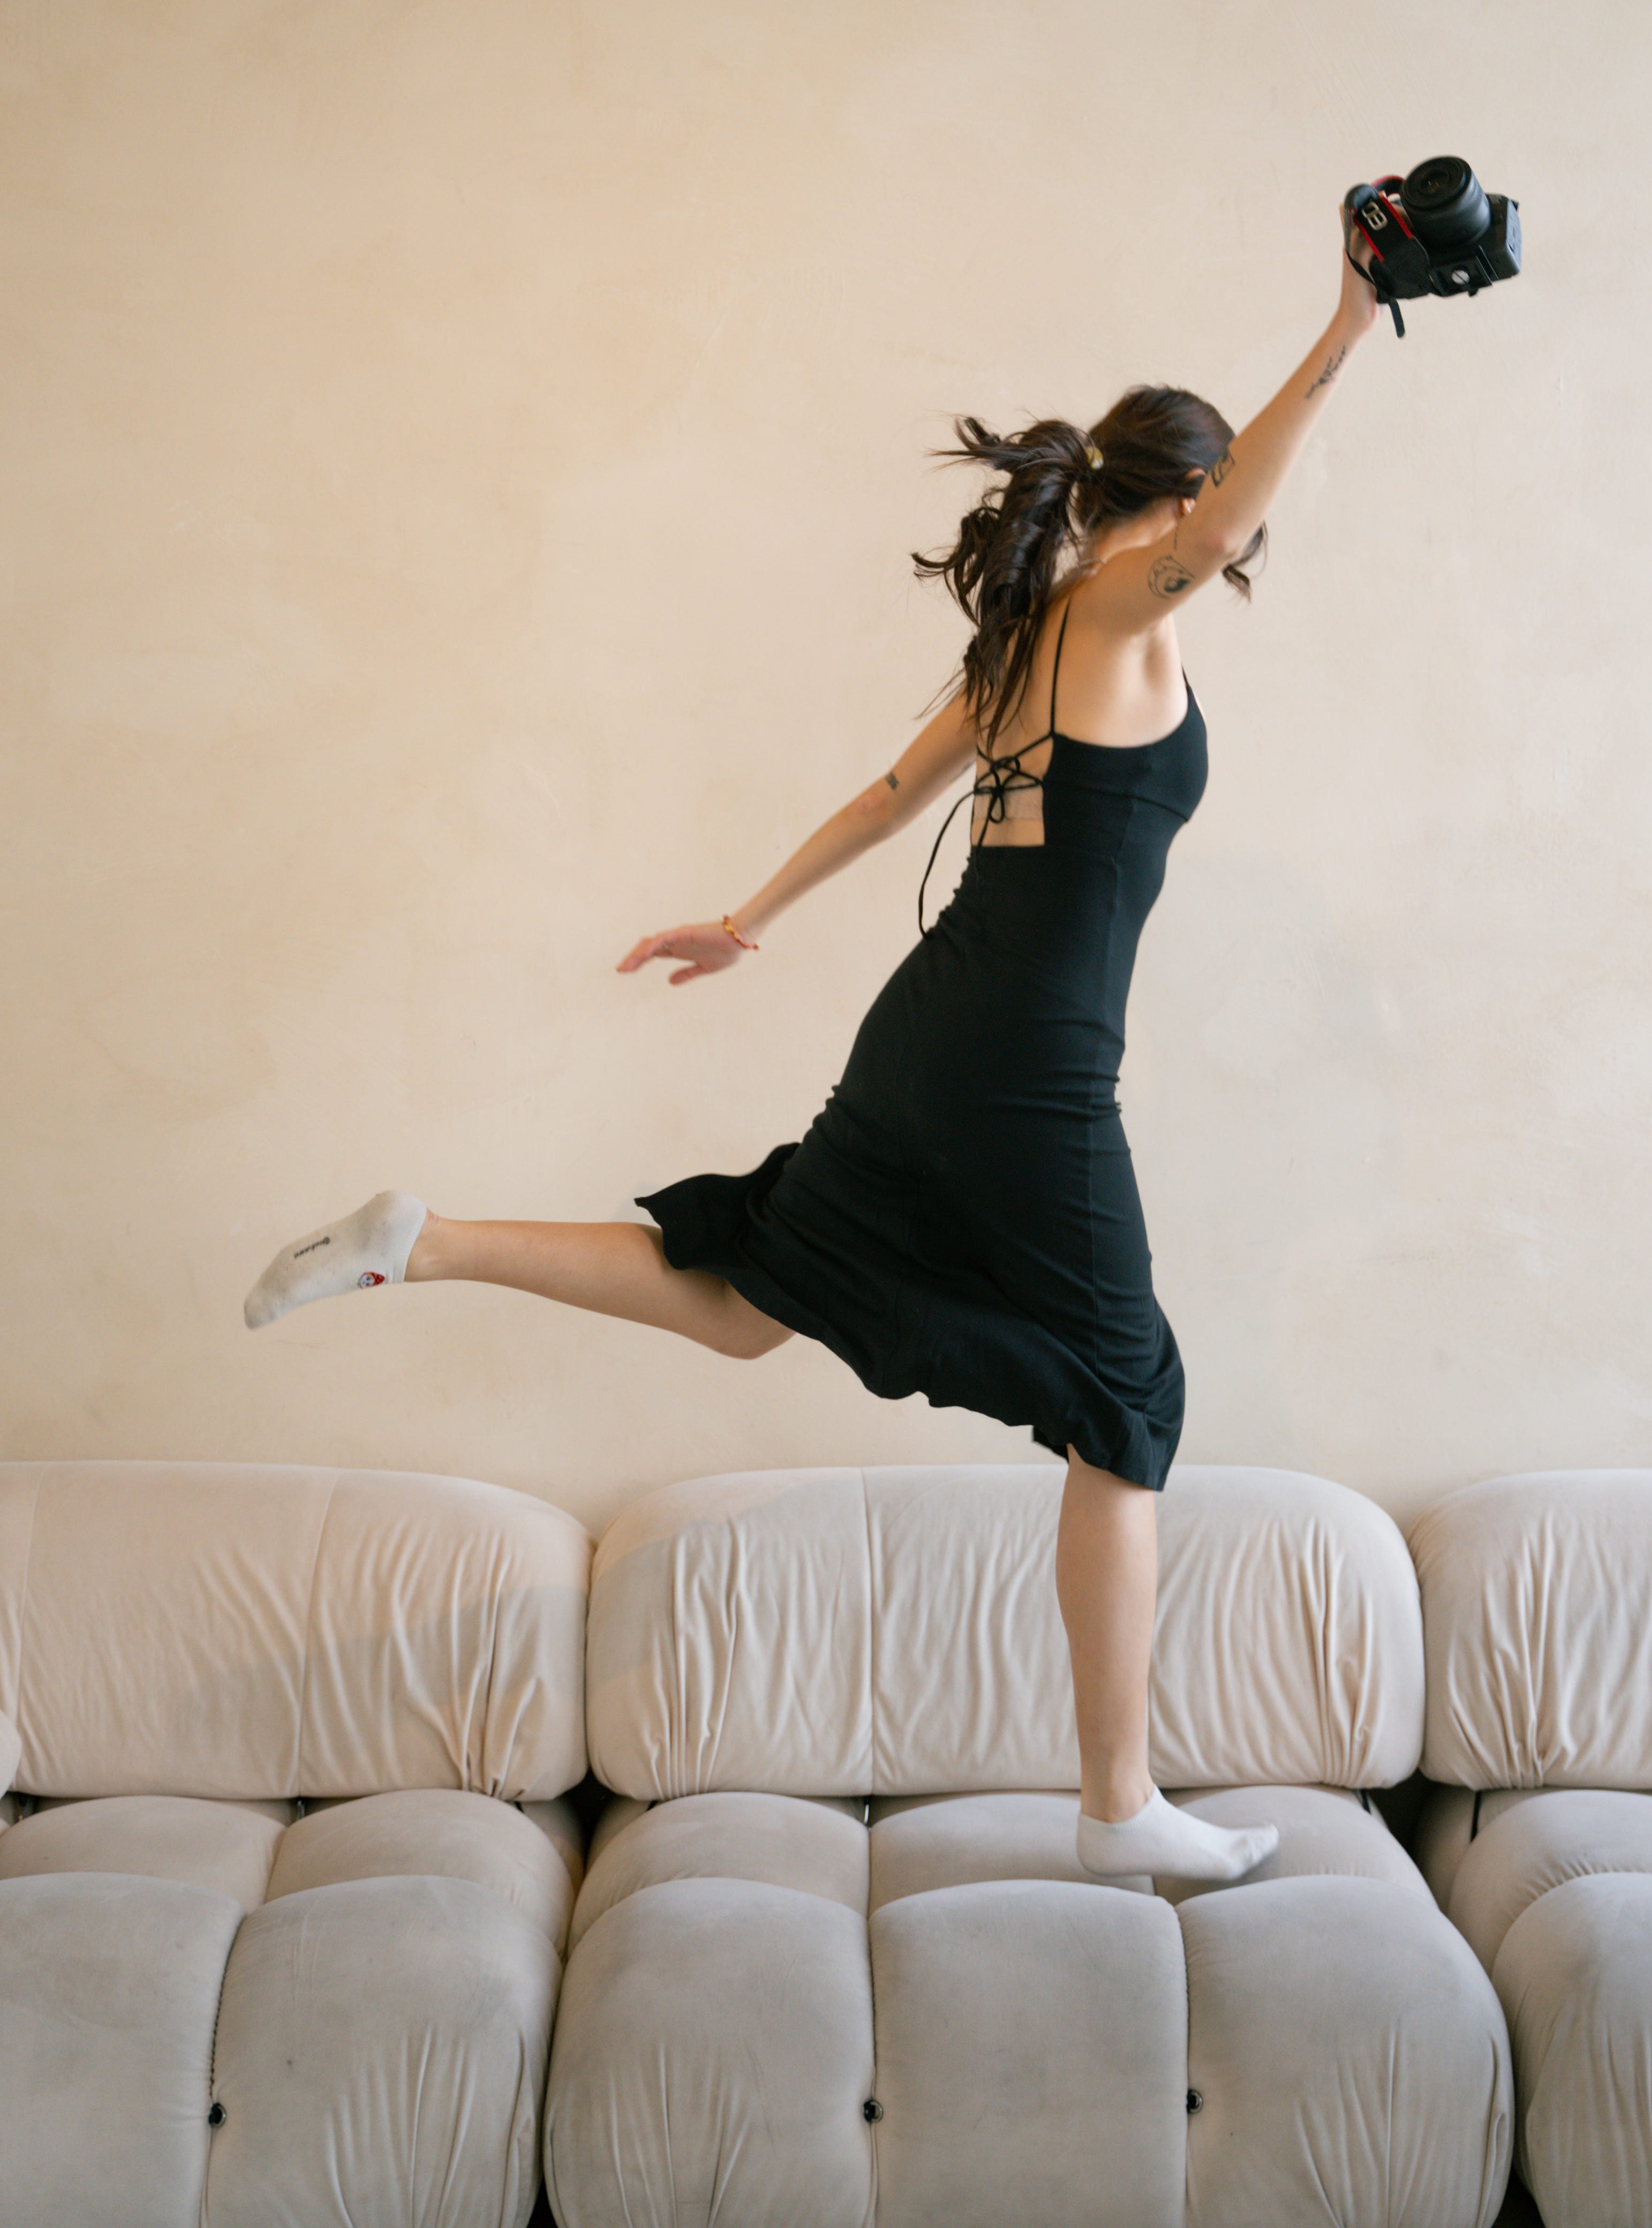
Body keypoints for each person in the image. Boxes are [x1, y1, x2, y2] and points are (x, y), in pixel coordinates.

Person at [248, 232, 1381, 1886]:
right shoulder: (1129, 611)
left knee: (755, 1299)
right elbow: (1211, 536)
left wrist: (746, 917)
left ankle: (422, 1242)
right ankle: (1119, 1806)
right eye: (1230, 516)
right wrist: (1352, 318)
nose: (1242, 544)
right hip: (1022, 1065)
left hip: (933, 1034)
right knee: (1133, 1400)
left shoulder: (1032, 637)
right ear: (1194, 499)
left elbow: (888, 797)